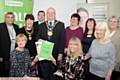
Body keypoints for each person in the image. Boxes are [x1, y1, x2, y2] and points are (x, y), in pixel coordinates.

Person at [36, 7, 66, 79]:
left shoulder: (60, 24)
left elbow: (63, 40)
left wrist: (60, 53)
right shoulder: (41, 25)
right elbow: (37, 38)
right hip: (44, 54)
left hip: (56, 54)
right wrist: (40, 40)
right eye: (49, 13)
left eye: (52, 13)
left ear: (55, 14)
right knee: (45, 75)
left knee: (54, 75)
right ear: (46, 14)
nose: (50, 14)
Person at [0, 12, 19, 77]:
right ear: (5, 18)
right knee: (3, 73)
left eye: (12, 17)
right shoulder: (1, 26)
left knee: (11, 73)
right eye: (8, 17)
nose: (10, 19)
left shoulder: (16, 27)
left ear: (13, 19)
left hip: (14, 55)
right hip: (4, 56)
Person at [108, 16, 120, 80]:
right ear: (108, 22)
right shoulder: (105, 32)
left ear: (118, 23)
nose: (112, 23)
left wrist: (115, 63)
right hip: (105, 64)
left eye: (115, 21)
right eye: (111, 21)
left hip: (115, 65)